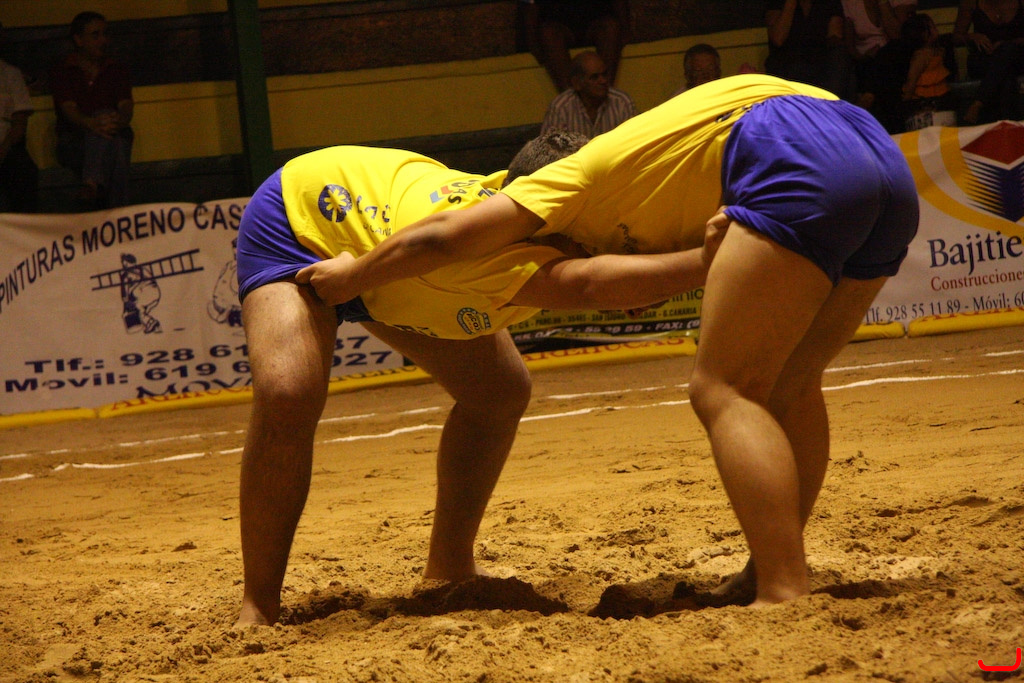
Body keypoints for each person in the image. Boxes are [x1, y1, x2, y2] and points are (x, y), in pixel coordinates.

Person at [298, 74, 920, 606]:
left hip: (786, 151)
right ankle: (770, 569)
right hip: (879, 152)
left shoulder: (562, 181)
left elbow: (441, 237)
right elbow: (637, 274)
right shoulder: (649, 166)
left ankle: (782, 586)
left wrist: (353, 276)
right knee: (791, 381)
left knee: (725, 388)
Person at [234, 133, 718, 626]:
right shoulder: (485, 250)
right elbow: (590, 284)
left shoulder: (546, 221)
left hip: (387, 258)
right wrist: (710, 260)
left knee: (498, 392)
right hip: (304, 219)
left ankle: (449, 565)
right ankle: (259, 607)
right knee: (288, 393)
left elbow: (615, 263)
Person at [50, 11, 134, 209]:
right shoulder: (64, 70)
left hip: (113, 131)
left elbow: (126, 106)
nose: (103, 40)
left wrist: (116, 122)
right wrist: (93, 123)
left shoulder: (115, 69)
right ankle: (120, 211)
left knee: (116, 138)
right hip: (75, 140)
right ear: (79, 40)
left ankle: (90, 184)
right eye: (95, 35)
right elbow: (69, 109)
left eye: (105, 34)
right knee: (116, 144)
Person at [518, 0, 631, 92]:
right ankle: (572, 101)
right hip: (556, 20)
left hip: (596, 16)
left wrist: (625, 30)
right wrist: (533, 43)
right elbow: (529, 5)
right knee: (548, 33)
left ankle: (606, 94)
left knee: (610, 28)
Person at [842, 0, 918, 131]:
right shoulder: (849, 3)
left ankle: (868, 97)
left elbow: (898, 35)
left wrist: (882, 4)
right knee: (876, 68)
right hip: (865, 59)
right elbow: (849, 46)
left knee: (888, 54)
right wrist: (864, 56)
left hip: (895, 55)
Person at [765, 0, 856, 100]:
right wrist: (791, 3)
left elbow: (835, 35)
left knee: (840, 58)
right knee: (797, 67)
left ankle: (829, 105)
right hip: (787, 63)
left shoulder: (828, 3)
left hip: (818, 61)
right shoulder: (778, 3)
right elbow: (778, 38)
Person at [953, 0, 1024, 124]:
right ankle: (1010, 126)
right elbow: (956, 38)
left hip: (1016, 57)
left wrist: (1009, 43)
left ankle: (978, 103)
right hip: (984, 59)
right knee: (1006, 75)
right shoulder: (971, 3)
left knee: (1007, 54)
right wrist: (972, 36)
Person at [539, 51, 635, 137]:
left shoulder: (622, 102)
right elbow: (548, 148)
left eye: (604, 74)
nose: (603, 81)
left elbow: (635, 141)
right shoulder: (561, 108)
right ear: (577, 83)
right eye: (594, 77)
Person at [0, 21, 38, 213]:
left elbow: (19, 122)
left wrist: (3, 149)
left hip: (6, 145)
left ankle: (24, 227)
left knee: (23, 169)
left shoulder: (10, 74)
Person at [900, 13, 957, 130]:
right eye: (932, 27)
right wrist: (905, 104)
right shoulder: (921, 56)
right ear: (923, 33)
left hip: (941, 98)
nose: (936, 29)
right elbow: (912, 80)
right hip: (923, 103)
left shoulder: (939, 51)